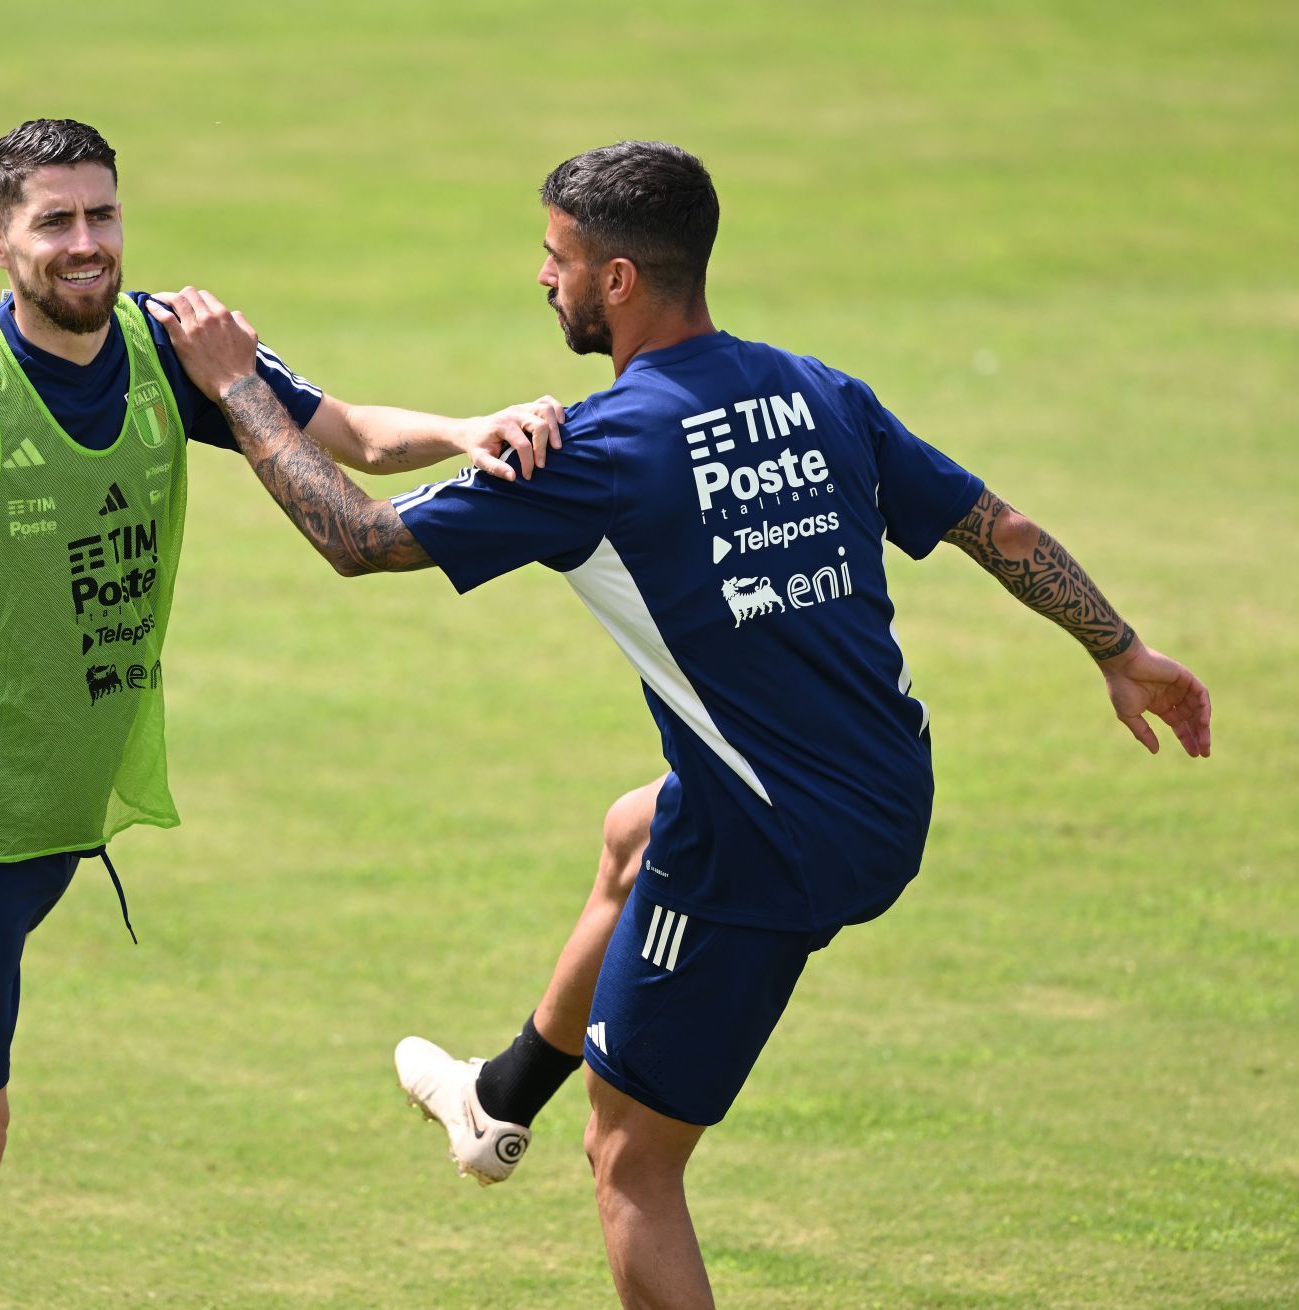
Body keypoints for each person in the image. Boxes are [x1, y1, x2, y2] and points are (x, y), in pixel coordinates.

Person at [144, 140, 1212, 1309]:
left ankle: (523, 1113)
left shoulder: (596, 454)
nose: (540, 278)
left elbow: (357, 539)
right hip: (888, 792)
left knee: (630, 1162)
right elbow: (994, 527)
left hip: (767, 846)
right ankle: (495, 1101)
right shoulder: (818, 389)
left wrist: (233, 381)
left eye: (556, 258)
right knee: (632, 830)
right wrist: (1120, 648)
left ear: (616, 280)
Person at [0, 118, 561, 1310]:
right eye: (55, 222)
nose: (87, 244)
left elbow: (344, 434)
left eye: (104, 215)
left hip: (59, 802)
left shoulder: (171, 345)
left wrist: (465, 429)